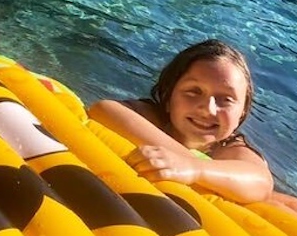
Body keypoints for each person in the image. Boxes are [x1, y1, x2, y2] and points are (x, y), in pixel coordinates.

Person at [87, 39, 274, 204]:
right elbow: (104, 110)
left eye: (225, 99)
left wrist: (194, 168)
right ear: (168, 97)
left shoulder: (229, 148)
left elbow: (261, 182)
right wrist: (183, 156)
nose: (207, 109)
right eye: (193, 91)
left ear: (242, 113)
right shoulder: (154, 118)